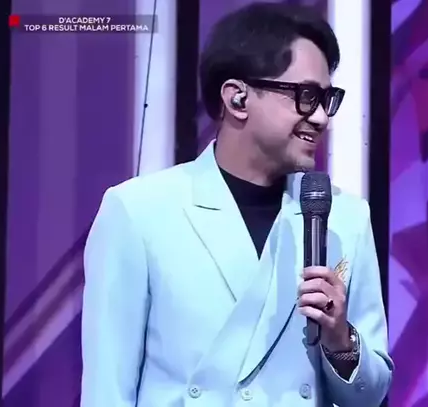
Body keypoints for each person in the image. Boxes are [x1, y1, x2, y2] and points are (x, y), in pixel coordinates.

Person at [79, 3, 393, 407]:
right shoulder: (139, 212)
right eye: (306, 96)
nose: (320, 118)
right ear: (237, 99)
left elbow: (371, 395)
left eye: (326, 99)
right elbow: (107, 390)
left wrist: (340, 340)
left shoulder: (344, 218)